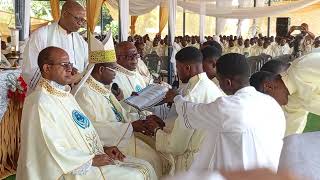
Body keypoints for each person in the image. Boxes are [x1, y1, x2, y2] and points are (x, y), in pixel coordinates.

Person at [17, 46, 157, 180]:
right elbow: (50, 148)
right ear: (47, 68)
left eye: (70, 64)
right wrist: (89, 160)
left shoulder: (64, 95)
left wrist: (102, 148)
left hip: (84, 156)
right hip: (64, 168)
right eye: (64, 65)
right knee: (137, 175)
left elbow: (79, 133)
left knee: (144, 168)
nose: (70, 69)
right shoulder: (39, 102)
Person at [167, 53, 285, 172]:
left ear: (228, 82)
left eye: (218, 80)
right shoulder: (272, 104)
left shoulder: (228, 106)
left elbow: (192, 112)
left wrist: (176, 99)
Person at [75, 35, 168, 177]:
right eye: (113, 68)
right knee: (151, 161)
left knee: (162, 153)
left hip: (122, 135)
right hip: (112, 143)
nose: (116, 72)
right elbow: (92, 129)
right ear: (101, 70)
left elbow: (120, 114)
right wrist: (130, 126)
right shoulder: (85, 94)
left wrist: (144, 119)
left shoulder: (101, 88)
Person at [145, 47, 224, 173]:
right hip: (211, 157)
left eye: (178, 68)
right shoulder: (210, 87)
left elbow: (176, 145)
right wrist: (163, 124)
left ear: (187, 68)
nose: (177, 72)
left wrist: (156, 130)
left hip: (194, 163)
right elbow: (192, 127)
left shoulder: (191, 97)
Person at [22, 0, 88, 93]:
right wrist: (61, 83)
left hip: (74, 95)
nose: (80, 23)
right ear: (64, 14)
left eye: (83, 20)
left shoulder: (81, 41)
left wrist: (78, 76)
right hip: (46, 97)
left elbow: (87, 67)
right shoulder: (41, 35)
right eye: (77, 18)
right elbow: (29, 69)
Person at [249, 52, 320, 136]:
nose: (276, 105)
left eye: (269, 102)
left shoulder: (302, 66)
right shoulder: (292, 101)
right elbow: (292, 131)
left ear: (268, 87)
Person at [113, 41, 150, 115]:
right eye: (130, 56)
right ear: (118, 58)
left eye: (136, 55)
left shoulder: (136, 74)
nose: (134, 59)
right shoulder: (113, 78)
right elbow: (114, 111)